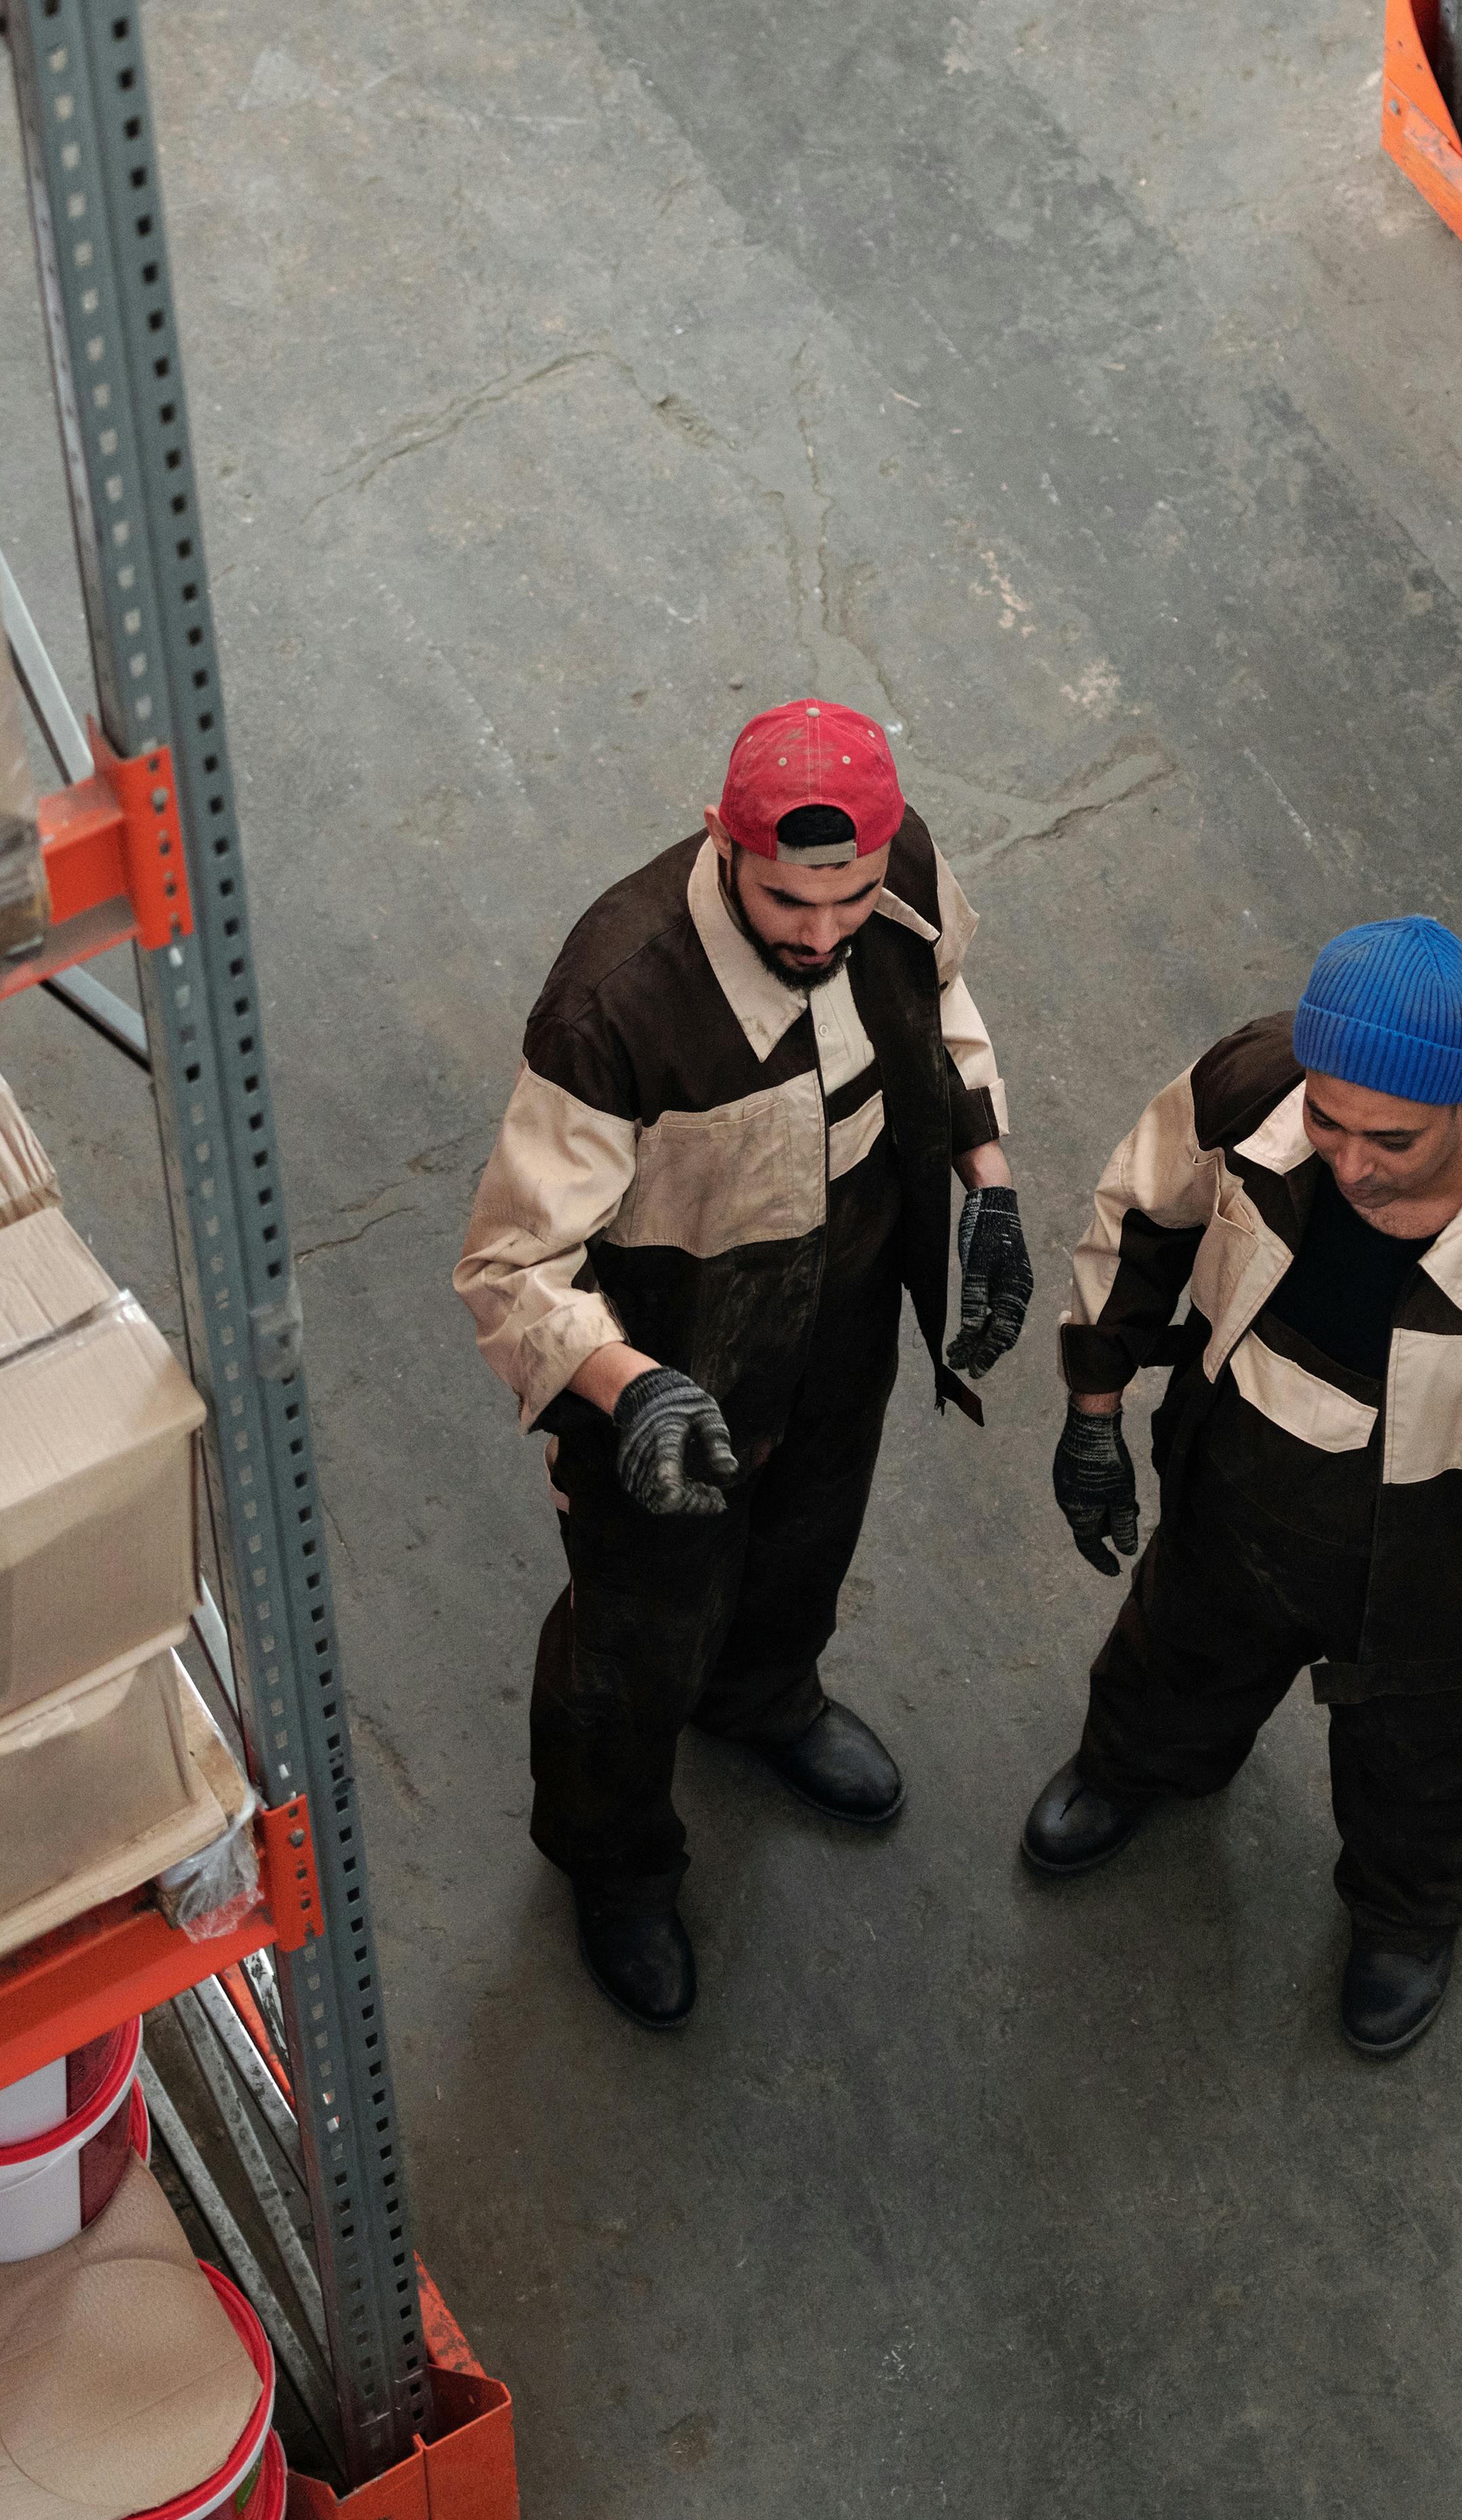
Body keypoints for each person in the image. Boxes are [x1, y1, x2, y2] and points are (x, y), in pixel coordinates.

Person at [1021, 915, 1462, 2060]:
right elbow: (1140, 1214)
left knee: (1432, 1769)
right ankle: (1134, 1769)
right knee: (1174, 1654)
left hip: (1446, 1574)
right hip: (1236, 1494)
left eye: (1387, 1138)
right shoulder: (1254, 1087)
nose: (1344, 1163)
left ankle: (1407, 1918)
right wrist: (1094, 1404)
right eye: (1326, 1123)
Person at [456, 698, 1032, 2030]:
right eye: (788, 902)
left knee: (802, 1544)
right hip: (666, 1365)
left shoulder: (908, 879)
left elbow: (941, 1012)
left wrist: (984, 1179)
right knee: (632, 1642)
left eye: (852, 898)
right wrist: (630, 1385)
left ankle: (762, 1693)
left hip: (843, 1310)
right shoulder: (617, 1001)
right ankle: (614, 1863)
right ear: (722, 839)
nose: (824, 935)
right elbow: (509, 1265)